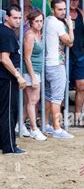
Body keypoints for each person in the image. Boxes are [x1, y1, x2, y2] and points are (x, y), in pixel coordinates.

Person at [44, 0, 75, 138]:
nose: (63, 12)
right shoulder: (57, 23)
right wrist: (70, 26)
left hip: (48, 63)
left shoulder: (48, 20)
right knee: (57, 98)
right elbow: (69, 41)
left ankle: (46, 125)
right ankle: (57, 128)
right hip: (56, 64)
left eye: (64, 9)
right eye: (60, 9)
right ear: (53, 9)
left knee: (48, 96)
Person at [0, 5, 27, 155]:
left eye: (19, 18)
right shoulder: (8, 34)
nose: (17, 21)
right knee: (9, 112)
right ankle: (9, 146)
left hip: (4, 77)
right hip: (7, 78)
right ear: (7, 18)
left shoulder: (3, 31)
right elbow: (4, 59)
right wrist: (18, 76)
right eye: (14, 18)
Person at [22, 10, 47, 141]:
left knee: (32, 100)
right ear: (31, 22)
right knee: (32, 101)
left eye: (41, 21)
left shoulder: (39, 34)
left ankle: (19, 125)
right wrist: (33, 77)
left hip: (37, 70)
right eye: (36, 21)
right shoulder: (30, 35)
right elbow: (27, 58)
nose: (39, 24)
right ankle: (34, 129)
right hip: (30, 71)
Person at [69, 0, 84, 127]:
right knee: (62, 88)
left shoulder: (81, 13)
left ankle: (77, 115)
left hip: (80, 54)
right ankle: (59, 117)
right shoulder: (61, 13)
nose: (74, 2)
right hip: (65, 55)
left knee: (82, 86)